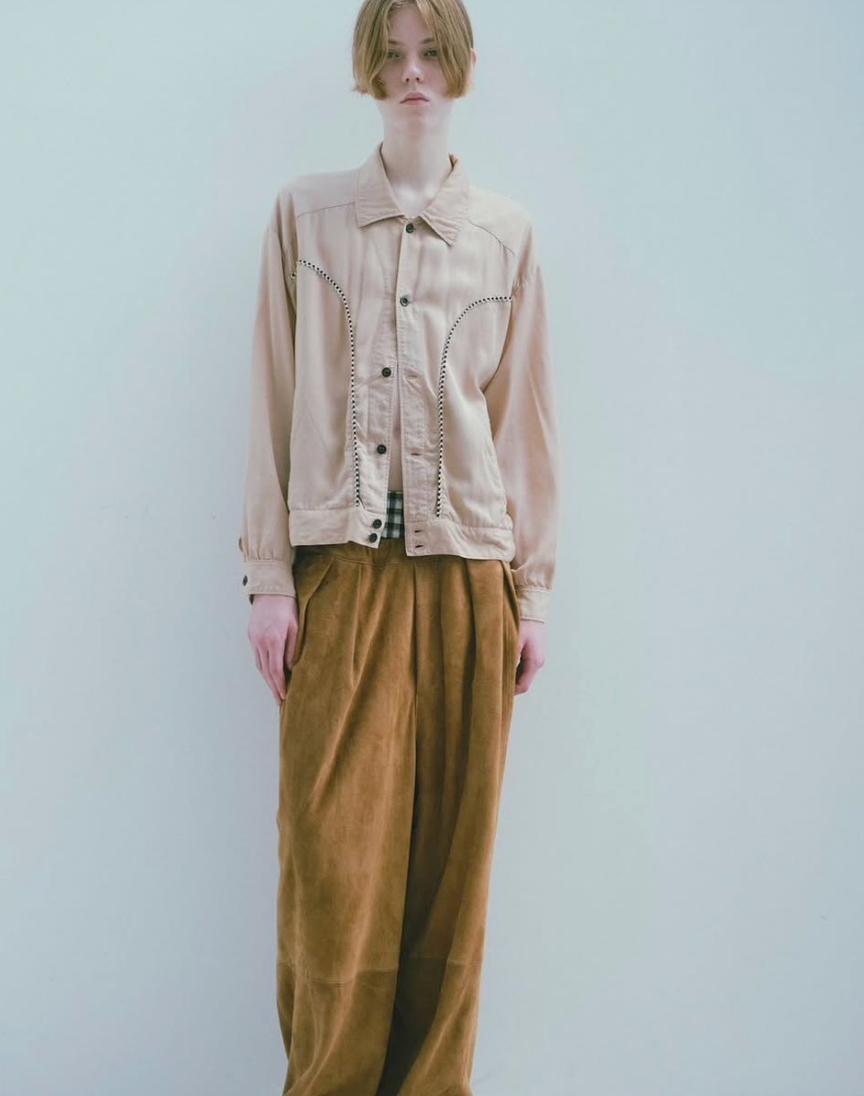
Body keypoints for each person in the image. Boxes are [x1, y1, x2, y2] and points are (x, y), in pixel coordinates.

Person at [237, 0, 561, 1092]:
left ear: (461, 66)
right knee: (332, 869)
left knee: (448, 880)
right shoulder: (308, 216)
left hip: (470, 580)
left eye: (431, 53)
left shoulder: (506, 236)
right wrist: (269, 579)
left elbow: (524, 424)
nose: (411, 73)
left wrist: (532, 598)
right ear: (368, 71)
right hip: (342, 575)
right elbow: (272, 398)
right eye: (391, 54)